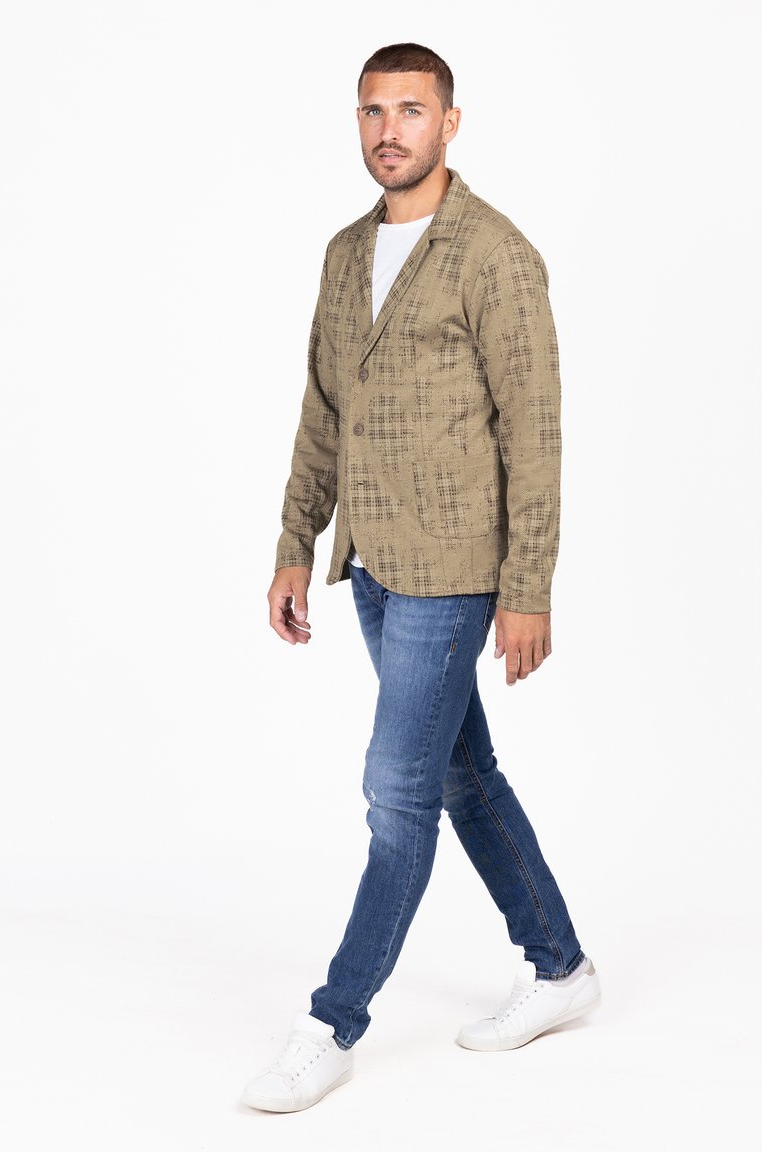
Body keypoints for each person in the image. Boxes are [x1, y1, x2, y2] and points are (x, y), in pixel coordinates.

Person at [241, 42, 600, 1114]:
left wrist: (528, 587)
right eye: (372, 111)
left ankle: (331, 1022)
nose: (388, 130)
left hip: (455, 571)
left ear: (450, 122)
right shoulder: (345, 252)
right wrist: (295, 542)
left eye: (410, 109)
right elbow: (322, 408)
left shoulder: (494, 254)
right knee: (461, 776)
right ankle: (560, 967)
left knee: (397, 795)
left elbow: (534, 433)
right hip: (372, 566)